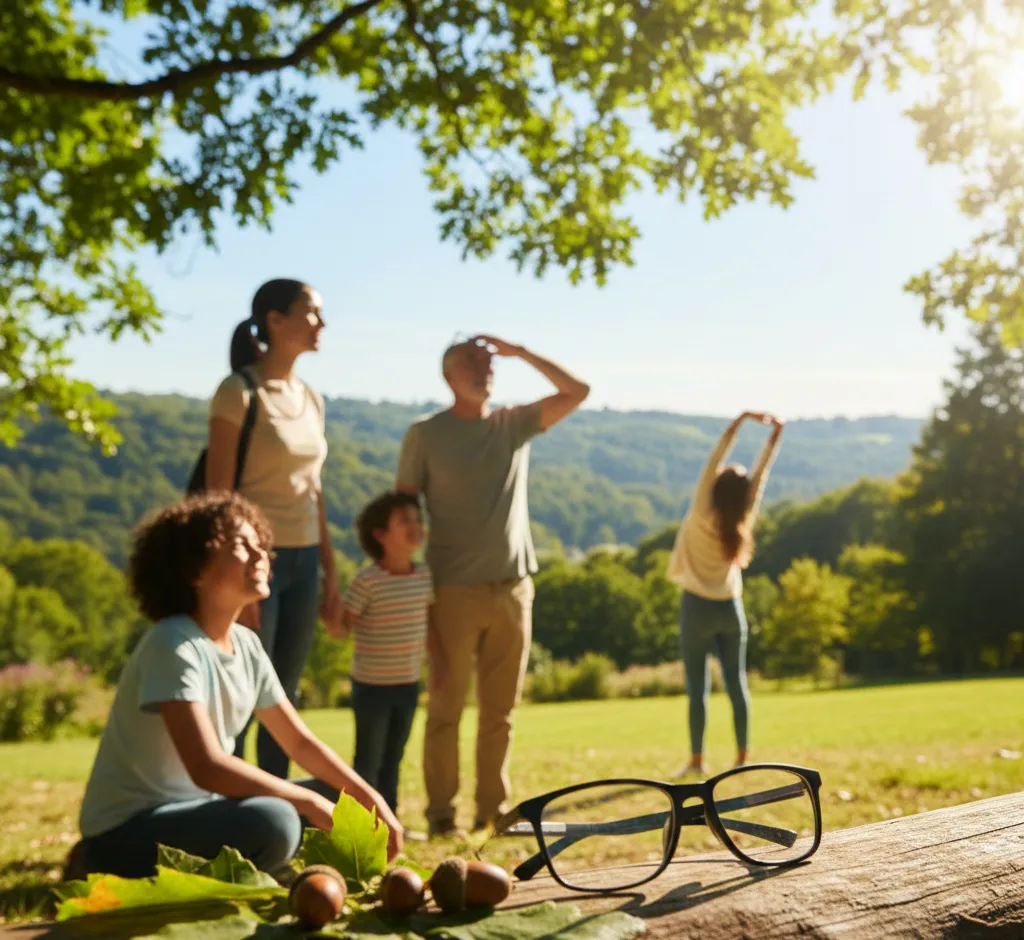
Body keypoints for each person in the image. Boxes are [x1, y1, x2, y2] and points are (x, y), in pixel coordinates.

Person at [67, 492, 402, 880]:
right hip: (126, 833)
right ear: (195, 569)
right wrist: (305, 801)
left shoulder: (246, 645)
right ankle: (90, 865)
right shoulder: (174, 643)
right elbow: (207, 768)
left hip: (199, 812)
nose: (262, 554)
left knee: (337, 799)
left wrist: (369, 800)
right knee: (275, 819)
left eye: (261, 544)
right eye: (242, 545)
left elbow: (298, 743)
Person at [396, 334, 590, 837]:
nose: (486, 370)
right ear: (449, 375)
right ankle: (441, 819)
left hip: (512, 589)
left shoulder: (511, 423)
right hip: (452, 592)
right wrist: (409, 583)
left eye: (489, 362)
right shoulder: (425, 433)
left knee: (499, 713)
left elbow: (577, 391)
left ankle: (492, 814)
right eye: (473, 362)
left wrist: (523, 352)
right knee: (445, 710)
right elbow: (403, 511)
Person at [205, 278, 341, 779]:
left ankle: (277, 807)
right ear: (276, 320)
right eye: (312, 312)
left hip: (305, 561)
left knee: (285, 691)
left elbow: (315, 491)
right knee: (242, 689)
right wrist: (241, 578)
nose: (322, 323)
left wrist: (329, 571)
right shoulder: (238, 391)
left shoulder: (311, 398)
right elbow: (220, 498)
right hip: (255, 564)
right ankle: (229, 810)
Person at [667, 411, 785, 776]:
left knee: (697, 689)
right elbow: (761, 473)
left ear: (715, 488)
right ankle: (742, 758)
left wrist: (739, 422)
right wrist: (774, 436)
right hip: (730, 609)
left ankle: (698, 761)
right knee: (738, 685)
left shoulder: (703, 509)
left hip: (696, 609)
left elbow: (713, 459)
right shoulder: (742, 516)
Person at [329, 491, 434, 819]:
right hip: (371, 688)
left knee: (394, 759)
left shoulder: (424, 577)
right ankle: (360, 823)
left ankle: (390, 822)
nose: (415, 526)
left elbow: (429, 628)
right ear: (380, 535)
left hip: (408, 685)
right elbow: (343, 627)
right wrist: (328, 606)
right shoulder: (367, 581)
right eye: (404, 521)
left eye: (418, 519)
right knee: (368, 762)